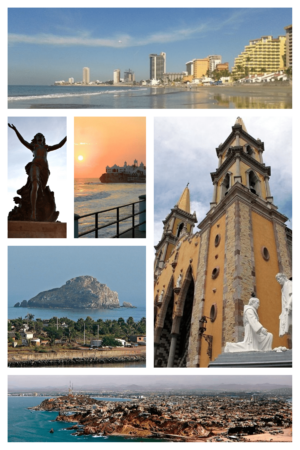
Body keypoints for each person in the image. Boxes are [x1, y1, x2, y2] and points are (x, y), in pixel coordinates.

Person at [8, 124, 68, 220]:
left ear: (43, 139)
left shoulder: (46, 148)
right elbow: (22, 140)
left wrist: (66, 138)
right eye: (38, 136)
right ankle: (33, 213)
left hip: (45, 169)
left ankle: (39, 211)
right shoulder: (33, 146)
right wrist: (15, 129)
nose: (39, 137)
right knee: (35, 185)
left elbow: (58, 145)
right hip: (35, 165)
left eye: (41, 136)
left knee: (41, 190)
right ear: (35, 139)